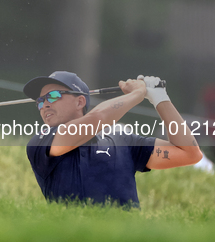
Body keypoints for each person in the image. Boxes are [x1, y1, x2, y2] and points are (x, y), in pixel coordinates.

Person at [25, 72, 203, 207]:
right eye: (40, 101)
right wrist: (136, 94)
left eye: (53, 96)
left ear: (80, 102)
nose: (45, 105)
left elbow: (189, 153)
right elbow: (98, 118)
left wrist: (160, 99)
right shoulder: (40, 143)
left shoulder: (122, 140)